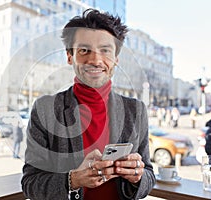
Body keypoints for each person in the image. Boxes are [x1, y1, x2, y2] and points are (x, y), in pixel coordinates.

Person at [21, 9, 155, 200]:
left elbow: (149, 175)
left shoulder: (136, 110)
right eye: (84, 50)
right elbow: (30, 184)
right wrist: (73, 180)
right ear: (70, 57)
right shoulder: (45, 109)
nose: (95, 60)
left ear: (116, 59)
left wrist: (137, 177)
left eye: (105, 51)